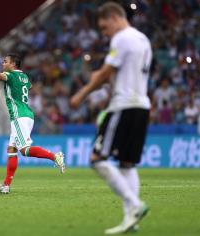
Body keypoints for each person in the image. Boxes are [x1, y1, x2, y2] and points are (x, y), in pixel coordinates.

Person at [70, 2, 151, 234]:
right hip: (142, 106)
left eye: (105, 28)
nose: (105, 33)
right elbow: (117, 73)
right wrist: (104, 75)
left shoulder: (122, 38)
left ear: (114, 17)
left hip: (123, 106)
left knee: (97, 159)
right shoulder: (142, 39)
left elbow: (107, 72)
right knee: (127, 163)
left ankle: (134, 204)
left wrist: (82, 94)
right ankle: (131, 219)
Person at [0, 53, 65, 194]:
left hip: (19, 116)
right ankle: (6, 186)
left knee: (24, 150)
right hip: (27, 114)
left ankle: (55, 156)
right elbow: (28, 87)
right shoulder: (24, 76)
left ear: (13, 65)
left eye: (5, 62)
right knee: (11, 150)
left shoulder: (10, 75)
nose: (2, 64)